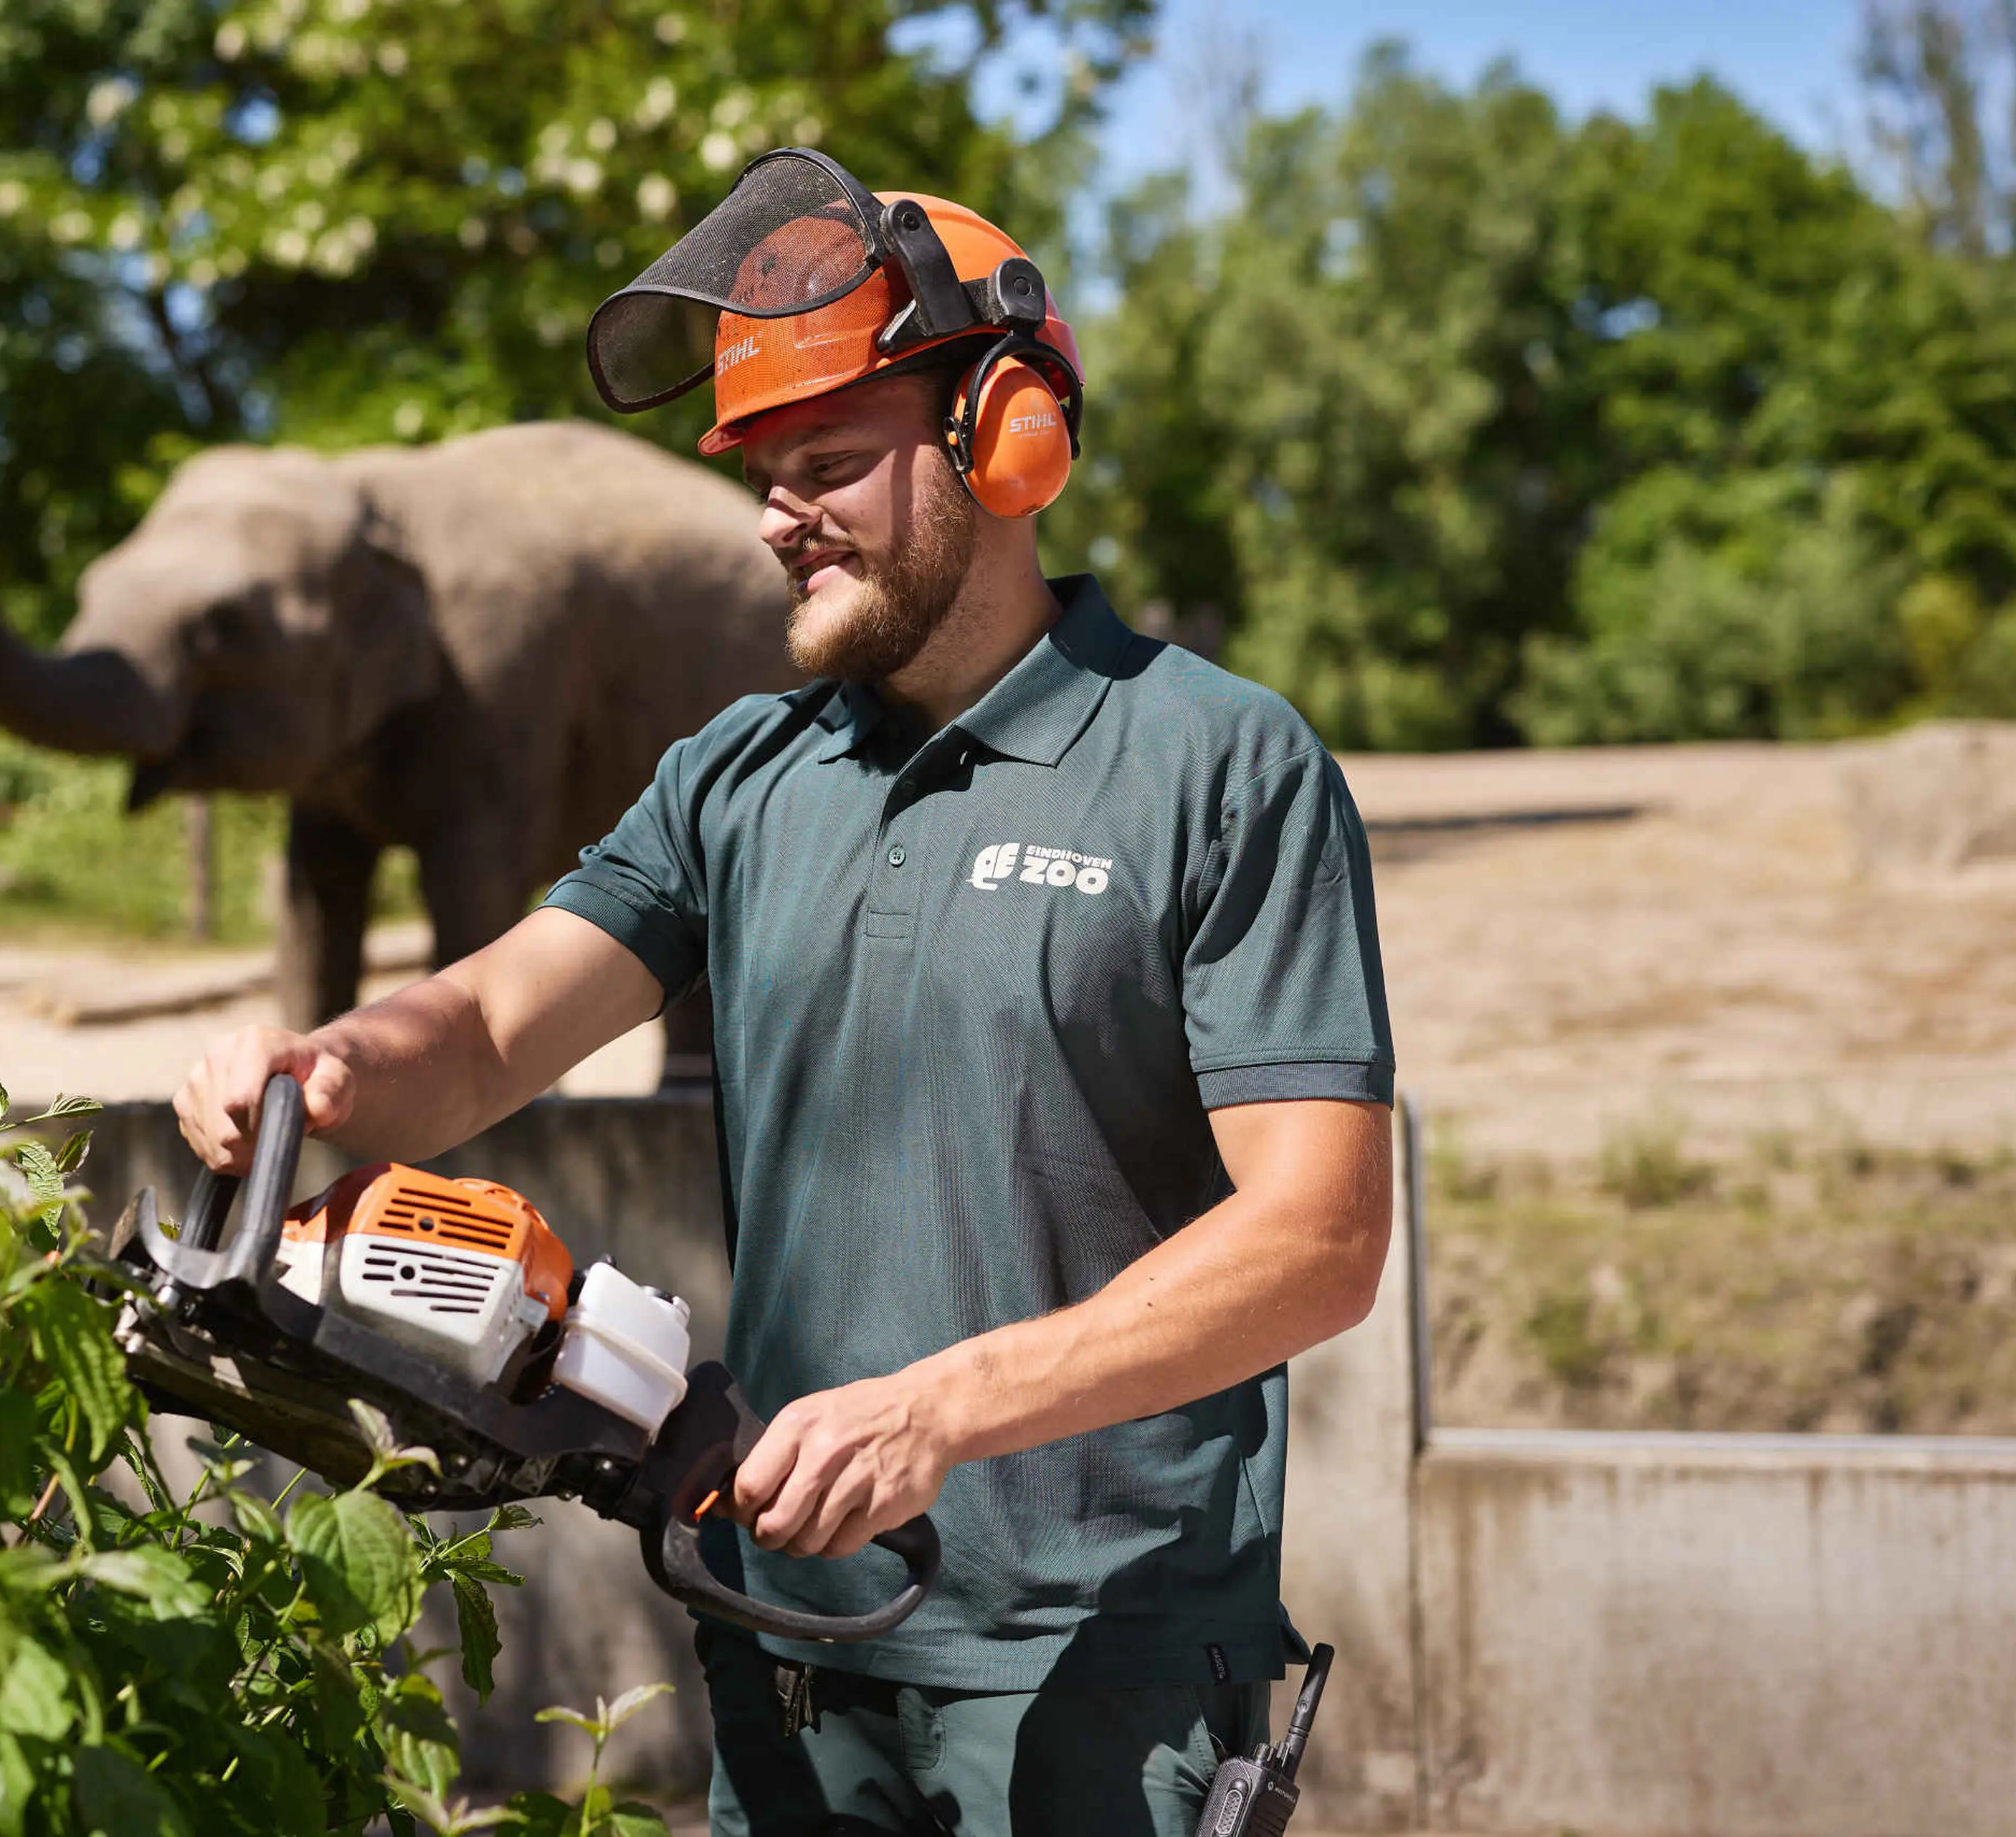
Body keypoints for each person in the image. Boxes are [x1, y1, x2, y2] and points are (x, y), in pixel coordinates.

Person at [176, 151, 1395, 1837]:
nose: (771, 514)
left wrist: (943, 1409)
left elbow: (1319, 1237)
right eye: (761, 472)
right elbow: (483, 1026)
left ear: (1007, 436)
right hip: (788, 1654)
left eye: (827, 462)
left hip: (1097, 1678)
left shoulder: (1216, 765)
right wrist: (313, 1074)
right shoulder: (742, 775)